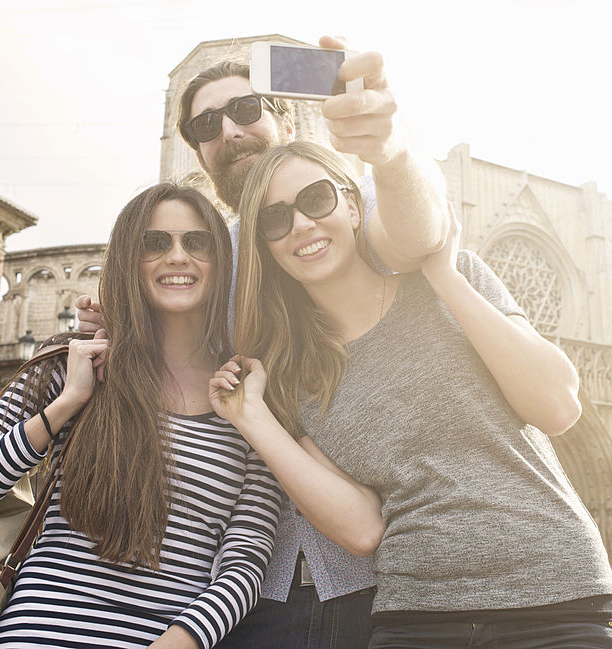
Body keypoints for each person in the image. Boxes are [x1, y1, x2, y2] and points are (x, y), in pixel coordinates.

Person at [77, 37, 450, 649]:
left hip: (388, 578)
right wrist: (118, 328)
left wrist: (391, 149)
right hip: (254, 590)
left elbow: (418, 228)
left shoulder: (352, 208)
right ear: (196, 148)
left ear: (285, 118)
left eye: (247, 109)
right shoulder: (202, 256)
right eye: (206, 123)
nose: (230, 130)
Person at [210, 141, 612, 649]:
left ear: (352, 202)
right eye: (275, 219)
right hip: (416, 614)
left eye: (316, 199)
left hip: (555, 595)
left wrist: (444, 276)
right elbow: (363, 530)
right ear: (265, 246)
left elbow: (558, 406)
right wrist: (253, 419)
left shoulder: (460, 277)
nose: (300, 224)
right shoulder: (292, 373)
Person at [0, 184, 281, 649]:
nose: (178, 256)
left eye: (198, 243)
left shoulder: (247, 396)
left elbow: (245, 563)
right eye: (155, 243)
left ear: (223, 263)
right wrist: (68, 403)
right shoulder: (69, 364)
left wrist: (181, 641)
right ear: (127, 260)